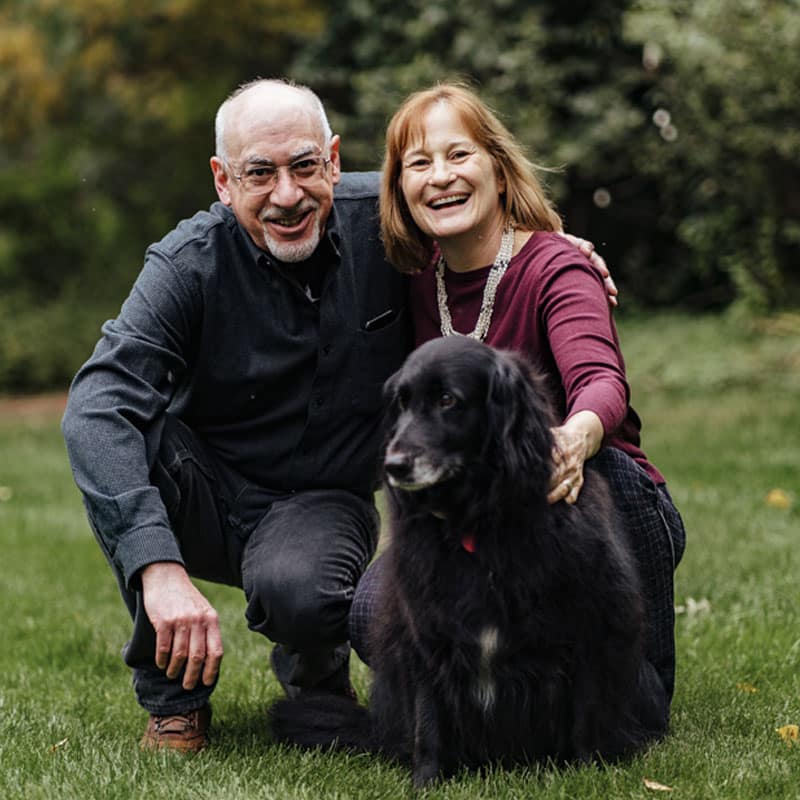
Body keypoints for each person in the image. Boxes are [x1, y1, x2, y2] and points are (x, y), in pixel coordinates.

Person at [62, 77, 615, 753]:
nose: (287, 195)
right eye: (258, 173)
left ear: (333, 158)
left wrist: (560, 248)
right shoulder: (186, 264)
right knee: (121, 440)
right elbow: (97, 405)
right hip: (202, 487)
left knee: (308, 592)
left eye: (304, 166)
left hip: (317, 500)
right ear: (222, 179)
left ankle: (312, 657)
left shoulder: (386, 220)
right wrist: (158, 567)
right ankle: (174, 700)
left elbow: (472, 219)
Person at [349, 83, 686, 728]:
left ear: (499, 171)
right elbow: (312, 193)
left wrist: (576, 438)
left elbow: (600, 380)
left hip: (577, 507)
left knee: (610, 476)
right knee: (372, 612)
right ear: (399, 188)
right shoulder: (405, 278)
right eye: (418, 164)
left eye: (459, 155)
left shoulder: (556, 268)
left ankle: (638, 678)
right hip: (478, 520)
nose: (440, 177)